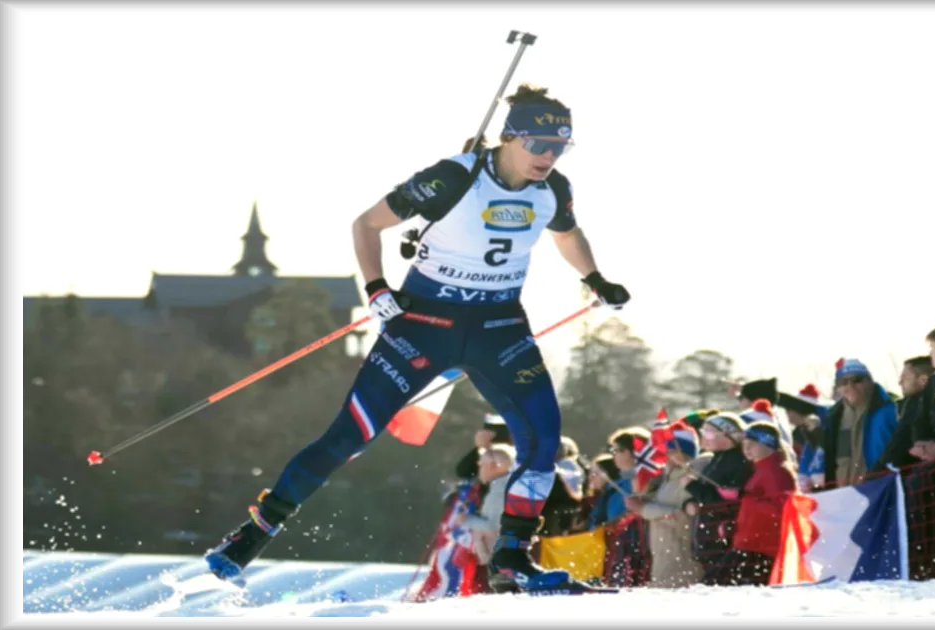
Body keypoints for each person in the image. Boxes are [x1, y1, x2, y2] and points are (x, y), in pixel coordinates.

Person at [203, 83, 630, 595]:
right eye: (539, 144)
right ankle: (252, 534)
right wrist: (376, 288)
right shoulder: (453, 176)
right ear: (510, 137)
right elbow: (366, 224)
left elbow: (567, 232)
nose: (549, 156)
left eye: (560, 147)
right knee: (350, 436)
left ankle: (512, 558)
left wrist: (595, 278)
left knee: (542, 439)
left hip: (498, 326)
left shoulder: (554, 188)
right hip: (426, 324)